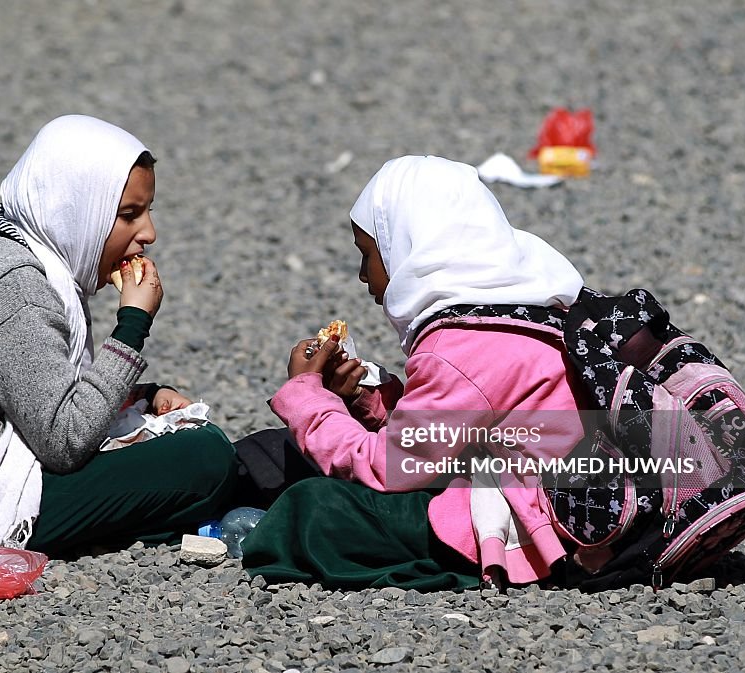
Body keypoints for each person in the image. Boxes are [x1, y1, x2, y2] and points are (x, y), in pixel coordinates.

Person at [0, 115, 238, 556]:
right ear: (76, 210)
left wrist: (142, 394)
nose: (149, 234)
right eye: (127, 215)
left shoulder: (2, 239)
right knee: (206, 457)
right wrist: (133, 324)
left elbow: (31, 390)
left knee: (177, 444)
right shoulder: (17, 290)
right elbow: (64, 442)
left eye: (148, 211)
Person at [241, 155, 591, 590]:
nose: (362, 274)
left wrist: (305, 395)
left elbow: (389, 468)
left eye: (368, 254)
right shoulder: (525, 304)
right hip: (566, 479)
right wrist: (366, 396)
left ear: (406, 246)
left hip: (537, 515)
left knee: (311, 506)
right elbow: (453, 428)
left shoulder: (458, 346)